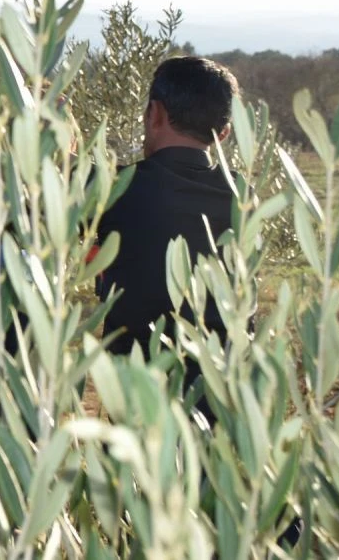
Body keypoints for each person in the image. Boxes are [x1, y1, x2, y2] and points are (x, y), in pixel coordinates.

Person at [96, 56, 239, 359]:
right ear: (224, 132)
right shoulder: (244, 197)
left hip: (138, 390)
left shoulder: (118, 188)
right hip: (220, 389)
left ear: (154, 113)